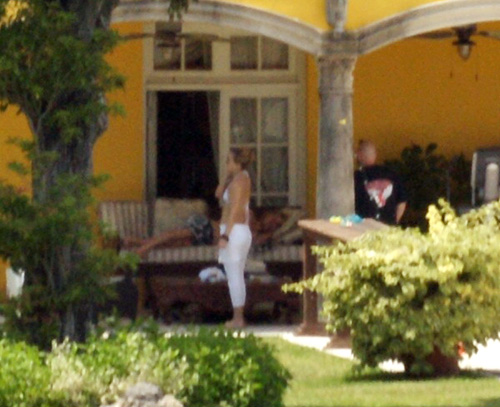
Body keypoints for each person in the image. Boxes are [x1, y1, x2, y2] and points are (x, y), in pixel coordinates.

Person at [215, 147, 253, 329]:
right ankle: (238, 317)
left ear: (238, 163)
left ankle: (238, 318)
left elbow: (236, 210)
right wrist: (226, 177)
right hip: (238, 231)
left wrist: (225, 235)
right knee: (236, 274)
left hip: (234, 231)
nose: (226, 164)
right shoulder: (238, 178)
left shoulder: (239, 182)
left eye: (229, 161)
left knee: (234, 276)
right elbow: (218, 194)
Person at [354, 140, 407, 225]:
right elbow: (402, 201)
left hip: (365, 227)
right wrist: (394, 222)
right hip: (387, 227)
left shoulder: (356, 177)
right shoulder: (391, 174)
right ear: (375, 155)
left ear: (360, 155)